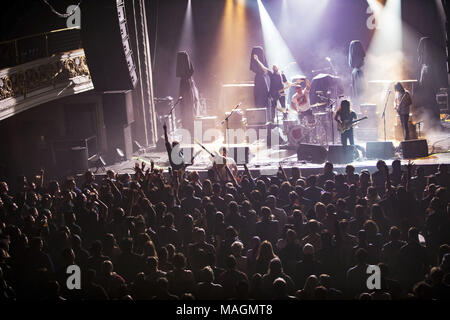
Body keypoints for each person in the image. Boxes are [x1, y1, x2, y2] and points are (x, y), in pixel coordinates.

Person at [253, 54, 288, 122]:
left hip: (281, 92)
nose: (274, 68)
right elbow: (264, 68)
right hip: (273, 93)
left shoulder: (282, 75)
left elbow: (286, 82)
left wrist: (293, 84)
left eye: (275, 67)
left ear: (278, 68)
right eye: (273, 67)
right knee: (273, 106)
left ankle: (285, 117)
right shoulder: (271, 74)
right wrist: (257, 60)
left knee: (283, 105)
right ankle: (272, 119)